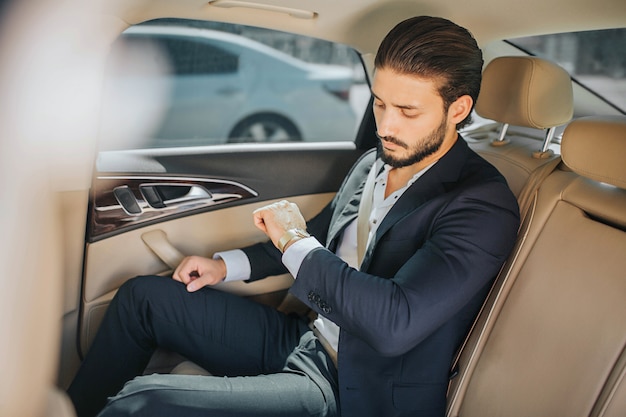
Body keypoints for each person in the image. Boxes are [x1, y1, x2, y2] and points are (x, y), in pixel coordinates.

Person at [68, 15, 520, 417]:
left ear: (457, 109)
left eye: (407, 111)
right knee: (142, 299)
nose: (386, 126)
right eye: (380, 103)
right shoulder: (374, 162)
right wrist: (226, 266)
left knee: (141, 401)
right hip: (305, 337)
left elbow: (393, 324)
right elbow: (321, 234)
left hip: (353, 385)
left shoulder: (480, 203)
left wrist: (292, 241)